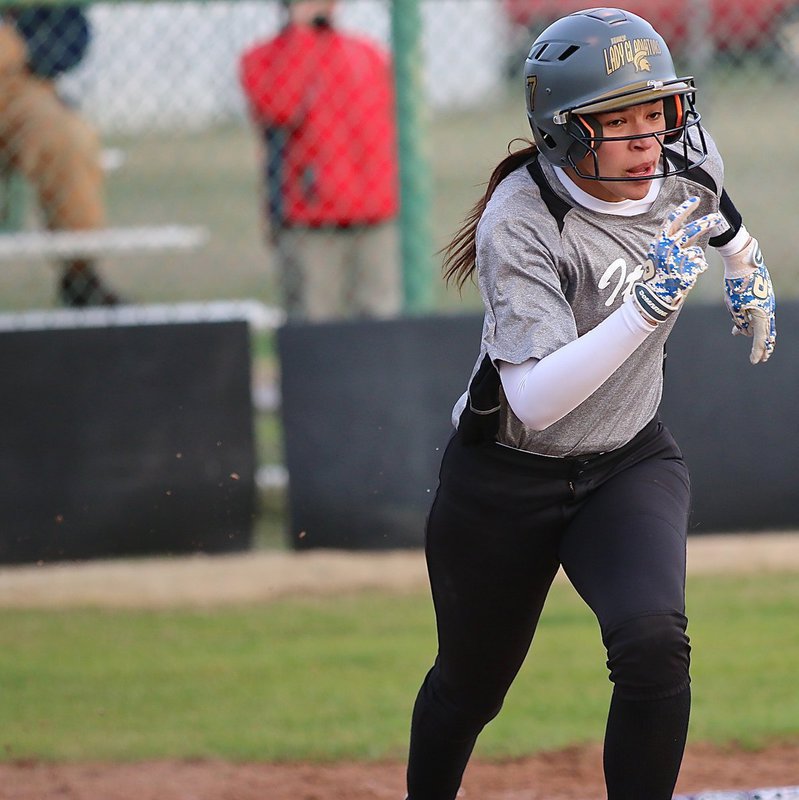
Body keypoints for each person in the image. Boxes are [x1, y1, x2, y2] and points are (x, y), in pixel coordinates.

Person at [404, 8, 775, 800]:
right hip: (505, 475)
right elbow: (533, 400)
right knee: (469, 689)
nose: (649, 139)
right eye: (620, 120)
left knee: (652, 646)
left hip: (626, 462)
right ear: (564, 133)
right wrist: (644, 309)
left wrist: (743, 257)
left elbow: (708, 198)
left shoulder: (677, 153)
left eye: (657, 111)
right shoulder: (523, 219)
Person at [238, 0, 401, 322]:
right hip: (308, 217)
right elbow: (280, 108)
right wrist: (301, 32)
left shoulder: (366, 53)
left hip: (372, 213)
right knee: (314, 320)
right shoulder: (262, 58)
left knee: (380, 320)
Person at [0, 5, 122, 307]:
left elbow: (71, 33)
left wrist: (25, 49)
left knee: (69, 138)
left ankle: (80, 274)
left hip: (18, 85)